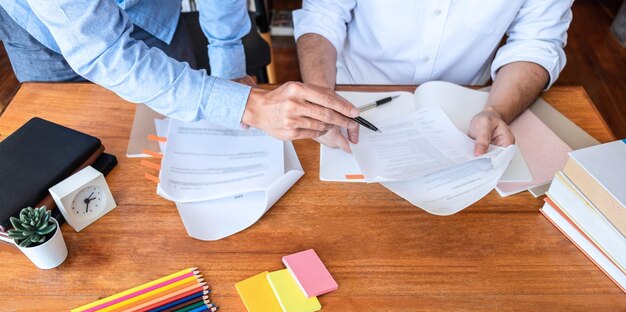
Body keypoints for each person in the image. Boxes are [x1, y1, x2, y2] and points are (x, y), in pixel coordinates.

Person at [0, 0, 360, 141]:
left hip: (151, 11)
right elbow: (105, 52)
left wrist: (228, 63)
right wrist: (249, 106)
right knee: (63, 143)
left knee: (165, 133)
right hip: (40, 28)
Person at [294, 0, 573, 154]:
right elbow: (323, 15)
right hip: (351, 95)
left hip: (468, 108)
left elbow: (537, 41)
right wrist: (320, 93)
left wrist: (496, 110)